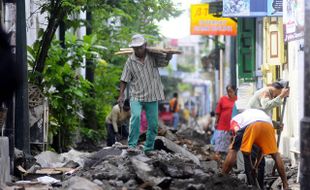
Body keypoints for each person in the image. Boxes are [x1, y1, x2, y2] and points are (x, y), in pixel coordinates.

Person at [117, 34, 172, 155]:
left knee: (153, 124)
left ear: (145, 46)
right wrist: (121, 95)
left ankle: (148, 148)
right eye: (135, 48)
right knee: (135, 117)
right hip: (136, 95)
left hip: (152, 95)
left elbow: (165, 63)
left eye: (140, 47)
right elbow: (124, 79)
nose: (138, 50)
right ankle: (132, 145)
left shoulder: (153, 57)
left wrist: (169, 56)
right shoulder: (130, 61)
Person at [222, 109, 289, 190]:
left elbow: (243, 147)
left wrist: (251, 166)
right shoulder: (256, 114)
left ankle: (222, 176)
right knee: (275, 154)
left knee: (233, 150)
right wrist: (255, 167)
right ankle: (286, 185)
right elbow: (261, 151)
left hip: (251, 125)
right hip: (267, 125)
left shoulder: (234, 120)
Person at [214, 85, 237, 159]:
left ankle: (228, 159)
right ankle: (218, 158)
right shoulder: (222, 99)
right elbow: (218, 112)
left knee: (230, 143)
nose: (229, 93)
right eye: (228, 92)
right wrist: (216, 122)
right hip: (222, 124)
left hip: (232, 125)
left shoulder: (238, 100)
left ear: (235, 91)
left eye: (231, 92)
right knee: (219, 141)